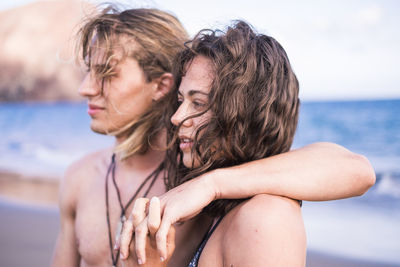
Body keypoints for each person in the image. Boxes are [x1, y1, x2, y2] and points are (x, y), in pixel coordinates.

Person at [52, 6, 375, 267]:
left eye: (107, 73)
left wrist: (210, 184)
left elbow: (356, 170)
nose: (86, 89)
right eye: (182, 101)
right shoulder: (84, 177)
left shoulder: (210, 188)